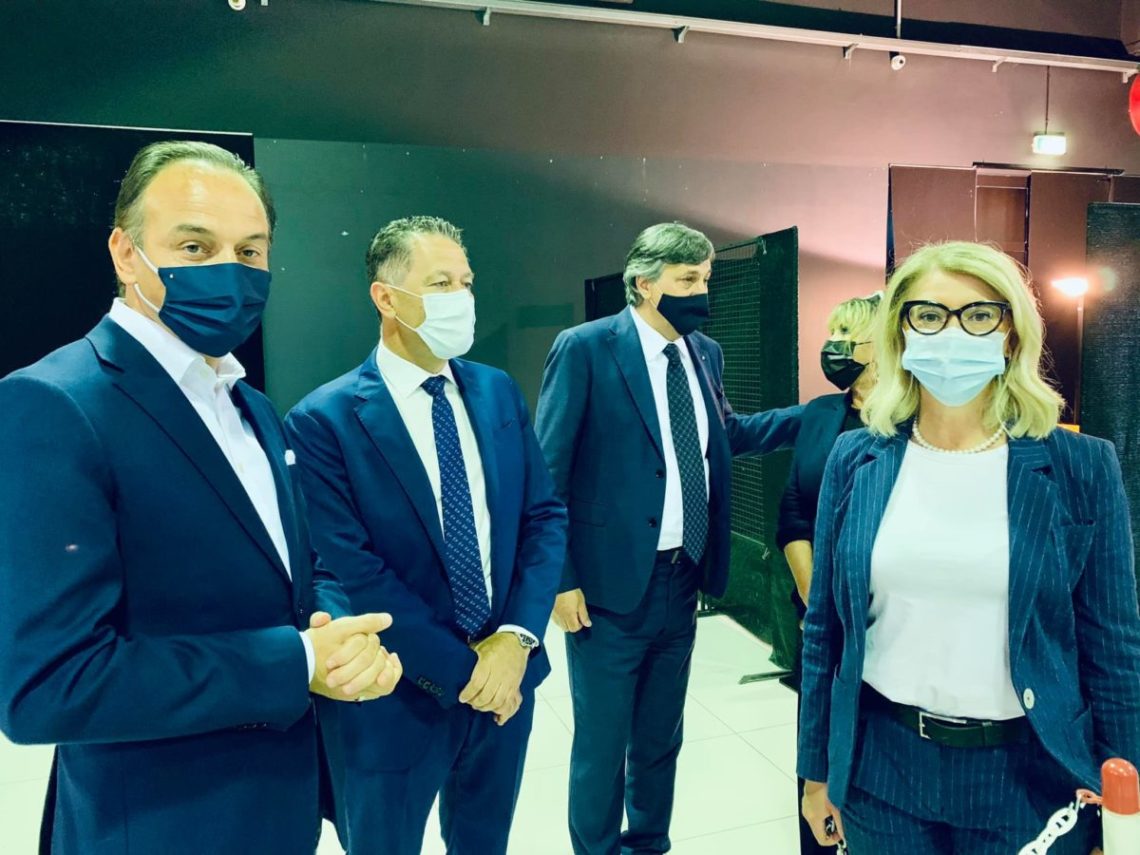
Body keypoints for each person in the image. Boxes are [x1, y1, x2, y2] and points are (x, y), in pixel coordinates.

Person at [0, 141, 402, 855]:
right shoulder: (56, 404)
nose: (228, 270)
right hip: (160, 824)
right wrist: (297, 662)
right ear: (125, 254)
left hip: (279, 807)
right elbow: (50, 686)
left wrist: (341, 638)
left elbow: (297, 572)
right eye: (194, 245)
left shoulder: (251, 407)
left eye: (249, 251)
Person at [798, 241, 1140, 854]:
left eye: (979, 314)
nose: (952, 333)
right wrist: (816, 769)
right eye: (929, 315)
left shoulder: (1081, 466)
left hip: (1031, 774)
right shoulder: (856, 457)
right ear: (900, 332)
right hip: (882, 767)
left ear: (1011, 334)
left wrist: (1122, 799)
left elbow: (1112, 646)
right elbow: (825, 629)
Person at [285, 216, 567, 855]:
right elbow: (351, 566)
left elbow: (543, 518)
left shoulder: (496, 391)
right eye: (441, 283)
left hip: (507, 678)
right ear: (386, 298)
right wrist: (468, 671)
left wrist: (516, 641)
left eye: (466, 282)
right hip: (396, 689)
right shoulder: (323, 420)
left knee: (484, 841)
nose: (461, 298)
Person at [535, 222, 804, 855]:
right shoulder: (586, 348)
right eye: (688, 280)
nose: (702, 292)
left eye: (705, 278)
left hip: (683, 580)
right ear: (644, 283)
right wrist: (560, 580)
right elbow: (548, 472)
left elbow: (725, 435)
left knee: (660, 738)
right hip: (606, 590)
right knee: (603, 745)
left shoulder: (703, 352)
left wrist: (815, 416)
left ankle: (650, 844)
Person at [776, 292, 879, 855]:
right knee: (816, 750)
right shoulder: (820, 413)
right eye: (832, 333)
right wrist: (817, 600)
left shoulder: (916, 420)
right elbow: (793, 510)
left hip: (882, 619)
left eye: (848, 336)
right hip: (821, 619)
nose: (833, 347)